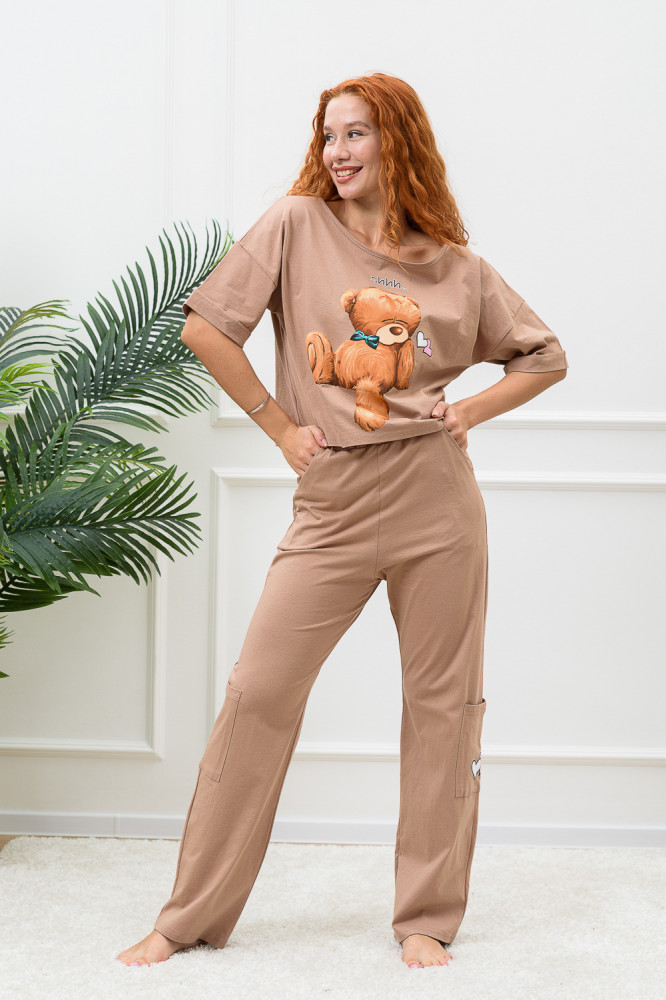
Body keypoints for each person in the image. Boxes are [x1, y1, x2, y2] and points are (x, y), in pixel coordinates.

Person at [117, 72, 567, 971]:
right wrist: (280, 426)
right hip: (331, 500)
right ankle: (190, 915)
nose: (337, 152)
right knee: (258, 692)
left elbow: (544, 356)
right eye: (329, 136)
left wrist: (468, 412)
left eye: (357, 133)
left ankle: (426, 918)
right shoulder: (295, 225)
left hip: (437, 500)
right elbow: (207, 327)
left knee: (443, 706)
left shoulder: (459, 268)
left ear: (399, 140)